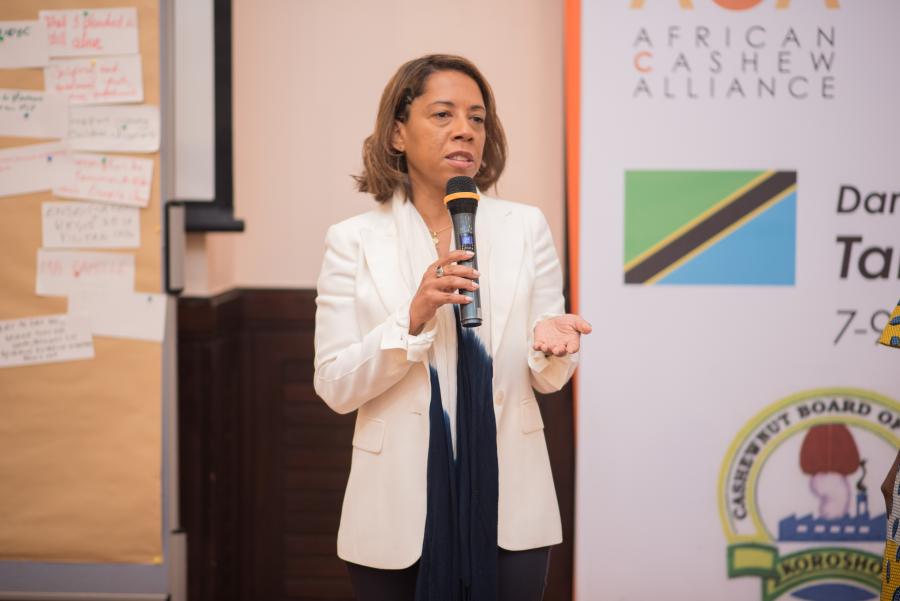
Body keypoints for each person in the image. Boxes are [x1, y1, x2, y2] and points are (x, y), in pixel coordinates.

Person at [313, 54, 591, 601]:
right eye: (443, 114)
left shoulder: (525, 227)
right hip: (394, 511)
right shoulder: (353, 240)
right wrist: (412, 318)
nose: (465, 129)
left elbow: (548, 376)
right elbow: (334, 385)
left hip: (510, 504)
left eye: (477, 118)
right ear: (397, 132)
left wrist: (554, 348)